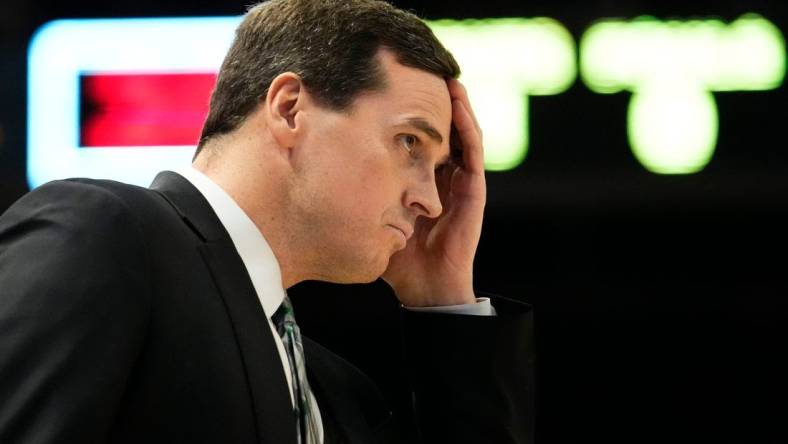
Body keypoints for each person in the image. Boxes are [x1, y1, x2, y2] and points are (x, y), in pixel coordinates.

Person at [0, 0, 534, 443]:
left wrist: (445, 303)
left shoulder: (336, 392)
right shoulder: (104, 232)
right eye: (410, 143)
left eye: (438, 171)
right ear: (289, 108)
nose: (431, 202)